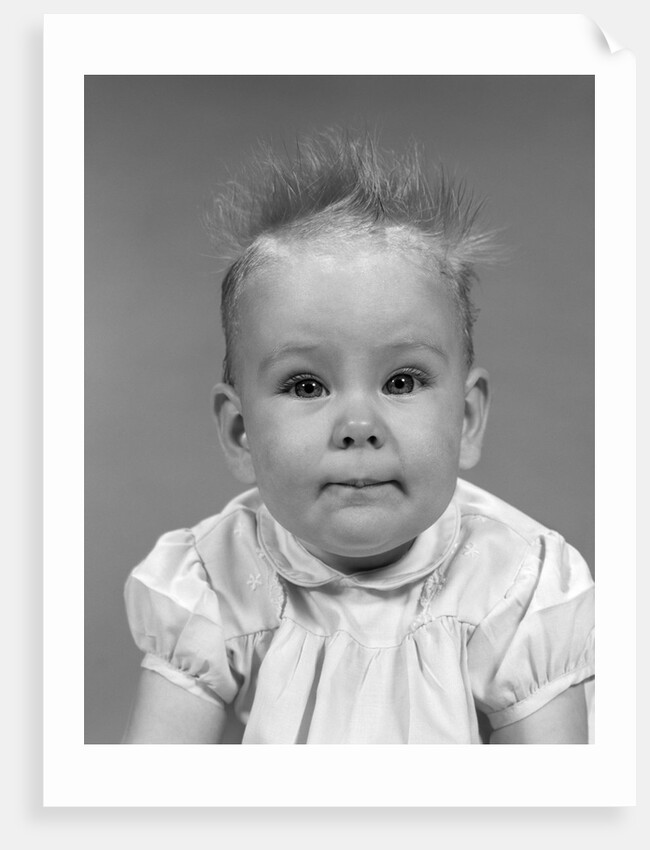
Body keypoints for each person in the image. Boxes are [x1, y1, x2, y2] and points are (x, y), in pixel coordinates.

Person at [122, 131, 594, 744]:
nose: (359, 427)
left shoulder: (516, 584)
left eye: (402, 381)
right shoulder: (214, 580)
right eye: (307, 386)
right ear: (241, 433)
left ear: (466, 420)